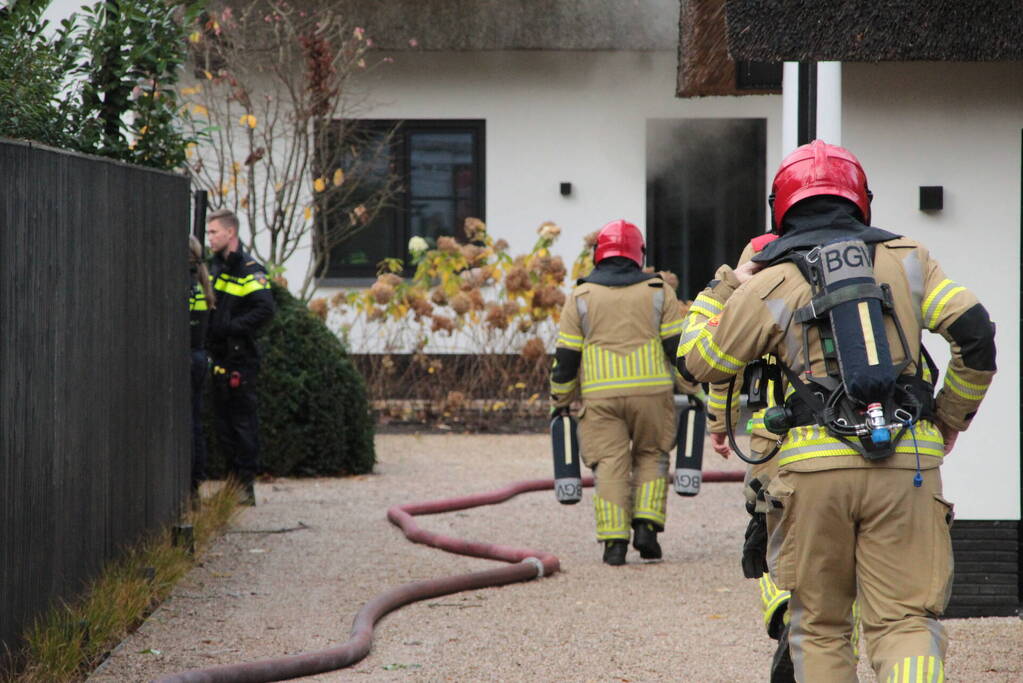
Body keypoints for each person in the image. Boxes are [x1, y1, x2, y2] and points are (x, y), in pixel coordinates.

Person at [676, 140, 996, 681]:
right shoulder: (910, 259)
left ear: (781, 207)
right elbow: (977, 336)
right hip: (907, 465)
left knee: (821, 627)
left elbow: (698, 361)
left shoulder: (772, 279)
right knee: (904, 622)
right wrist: (948, 418)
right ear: (860, 199)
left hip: (810, 474)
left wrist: (724, 285)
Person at [550, 219, 696, 565]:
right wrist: (695, 390)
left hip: (601, 397)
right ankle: (646, 527)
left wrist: (561, 400)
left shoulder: (581, 296)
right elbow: (677, 349)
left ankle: (614, 544)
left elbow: (566, 357)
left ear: (598, 254)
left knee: (609, 464)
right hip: (653, 394)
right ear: (638, 254)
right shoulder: (659, 290)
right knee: (652, 454)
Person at [205, 209, 275, 505]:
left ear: (230, 232)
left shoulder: (249, 269)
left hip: (240, 359)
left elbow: (265, 309)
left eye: (214, 232)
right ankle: (233, 484)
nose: (209, 238)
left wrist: (230, 327)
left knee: (242, 424)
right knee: (224, 426)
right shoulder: (216, 268)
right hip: (220, 356)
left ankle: (245, 487)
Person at [189, 235, 215, 499]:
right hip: (199, 357)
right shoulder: (201, 283)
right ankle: (196, 479)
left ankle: (191, 479)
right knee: (195, 420)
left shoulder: (186, 286)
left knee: (187, 423)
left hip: (187, 358)